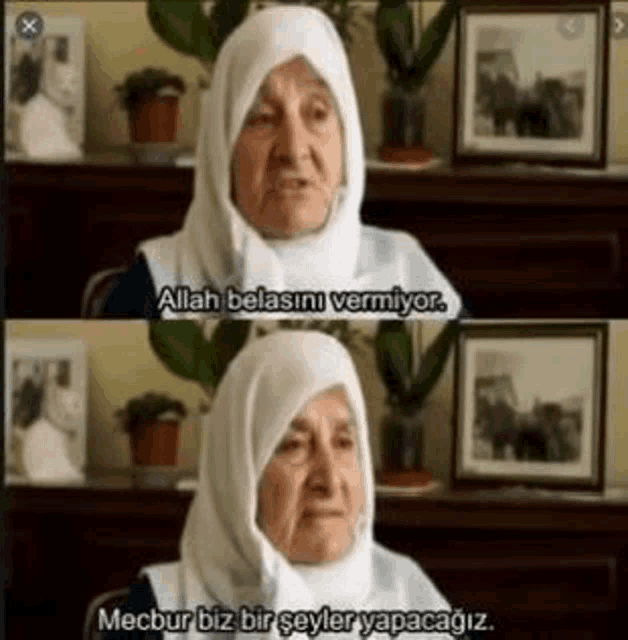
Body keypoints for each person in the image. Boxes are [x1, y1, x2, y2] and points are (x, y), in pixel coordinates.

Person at [98, 331, 481, 640]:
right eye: (294, 445)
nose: (329, 481)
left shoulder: (413, 601)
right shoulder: (158, 612)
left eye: (345, 443)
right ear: (240, 473)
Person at [101, 6, 465, 320]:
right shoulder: (159, 282)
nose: (293, 149)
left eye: (318, 113)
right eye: (261, 118)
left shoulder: (405, 272)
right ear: (221, 151)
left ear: (347, 139)